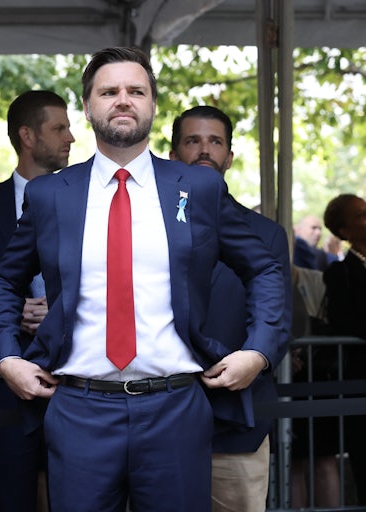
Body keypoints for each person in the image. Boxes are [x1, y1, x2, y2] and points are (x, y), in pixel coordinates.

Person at [0, 47, 286, 511]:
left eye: (135, 91)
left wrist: (259, 350)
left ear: (151, 104)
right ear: (88, 107)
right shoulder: (50, 195)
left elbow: (263, 266)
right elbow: (5, 281)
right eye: (109, 91)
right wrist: (7, 357)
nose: (123, 100)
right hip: (80, 409)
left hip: (176, 409)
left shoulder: (198, 188)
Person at [0, 89, 74, 512]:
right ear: (27, 135)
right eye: (59, 128)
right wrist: (10, 310)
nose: (71, 137)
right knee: (7, 497)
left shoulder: (87, 199)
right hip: (3, 382)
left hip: (77, 375)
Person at [169, 105, 292, 512]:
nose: (204, 150)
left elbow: (277, 319)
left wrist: (255, 357)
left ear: (230, 157)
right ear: (172, 155)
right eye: (192, 141)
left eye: (215, 141)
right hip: (156, 420)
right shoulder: (145, 226)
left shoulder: (266, 235)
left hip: (237, 420)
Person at [322, 193, 366, 506]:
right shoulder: (341, 274)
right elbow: (345, 322)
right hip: (360, 381)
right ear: (345, 232)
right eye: (361, 215)